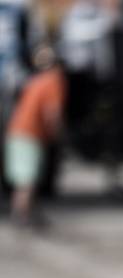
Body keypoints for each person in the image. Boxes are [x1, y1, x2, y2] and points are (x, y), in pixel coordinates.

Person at [4, 43, 65, 228]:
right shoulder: (54, 81)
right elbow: (52, 113)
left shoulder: (35, 79)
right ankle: (23, 216)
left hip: (17, 131)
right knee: (28, 179)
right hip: (29, 134)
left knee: (23, 178)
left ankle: (21, 212)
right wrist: (56, 134)